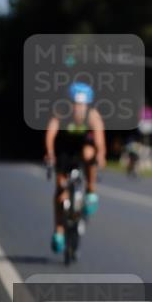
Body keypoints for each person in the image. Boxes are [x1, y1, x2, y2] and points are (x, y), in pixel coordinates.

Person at [44, 82, 106, 253]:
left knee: (89, 153)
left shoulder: (93, 116)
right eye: (75, 104)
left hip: (82, 147)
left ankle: (91, 190)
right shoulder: (60, 113)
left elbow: (100, 141)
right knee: (60, 191)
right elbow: (50, 134)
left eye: (82, 104)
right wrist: (50, 153)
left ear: (88, 104)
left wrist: (100, 155)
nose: (78, 108)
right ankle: (59, 231)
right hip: (64, 149)